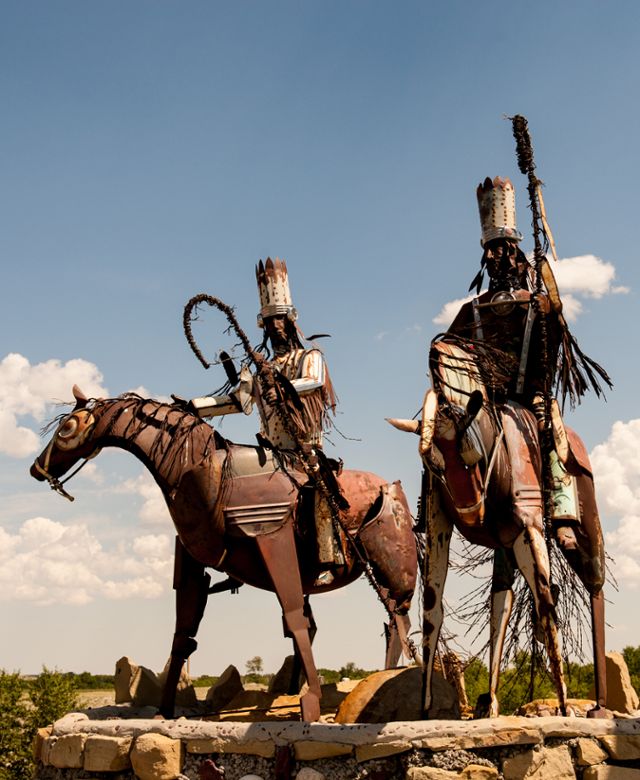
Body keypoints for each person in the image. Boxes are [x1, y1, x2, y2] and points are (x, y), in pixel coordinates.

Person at [444, 176, 581, 550]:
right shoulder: (470, 310)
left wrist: (549, 310)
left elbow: (555, 344)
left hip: (529, 394)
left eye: (502, 248)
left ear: (515, 251)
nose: (495, 257)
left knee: (551, 432)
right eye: (490, 249)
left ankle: (563, 510)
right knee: (439, 432)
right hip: (485, 400)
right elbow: (453, 349)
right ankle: (437, 509)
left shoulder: (536, 300)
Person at [190, 257, 341, 582]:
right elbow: (238, 402)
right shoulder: (263, 371)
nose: (275, 329)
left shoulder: (309, 357)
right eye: (269, 324)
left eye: (279, 322)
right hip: (270, 452)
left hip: (304, 450)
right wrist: (195, 407)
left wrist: (280, 388)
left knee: (319, 493)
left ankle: (327, 558)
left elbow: (313, 381)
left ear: (290, 322)